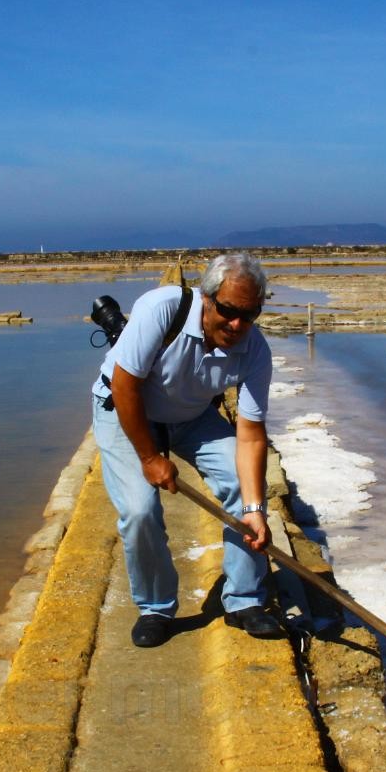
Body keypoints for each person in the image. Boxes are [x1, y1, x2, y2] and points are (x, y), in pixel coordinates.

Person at [91, 252, 284, 647]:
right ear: (207, 298)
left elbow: (250, 433)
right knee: (140, 510)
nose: (237, 325)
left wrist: (254, 509)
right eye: (228, 311)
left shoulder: (255, 350)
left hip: (191, 416)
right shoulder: (163, 311)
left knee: (242, 486)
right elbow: (124, 385)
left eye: (249, 316)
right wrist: (149, 457)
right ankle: (156, 607)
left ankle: (245, 598)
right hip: (126, 409)